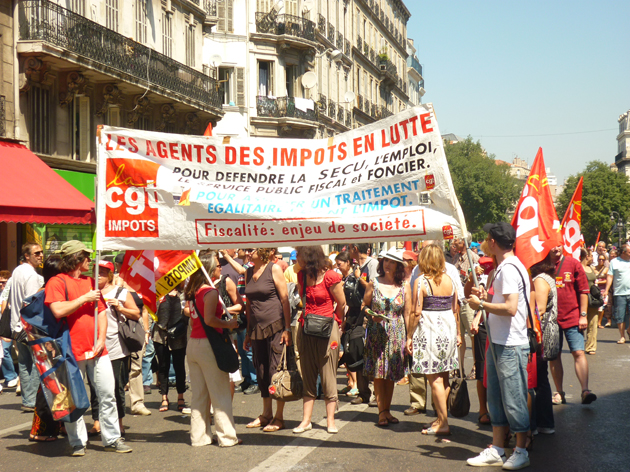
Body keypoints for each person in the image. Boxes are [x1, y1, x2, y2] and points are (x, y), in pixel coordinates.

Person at [45, 241, 131, 456]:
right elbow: (58, 310)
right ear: (76, 258)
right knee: (73, 398)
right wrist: (84, 298)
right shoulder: (57, 282)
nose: (89, 261)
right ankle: (77, 442)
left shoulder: (90, 281)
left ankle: (112, 438)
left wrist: (101, 339)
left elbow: (101, 312)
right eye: (86, 257)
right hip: (70, 351)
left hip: (97, 349)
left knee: (107, 394)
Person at [467, 222, 531, 470]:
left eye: (487, 237)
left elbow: (511, 308)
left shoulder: (510, 269)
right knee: (495, 397)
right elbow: (504, 302)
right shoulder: (506, 267)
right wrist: (485, 298)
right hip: (499, 341)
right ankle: (497, 448)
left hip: (510, 344)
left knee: (513, 399)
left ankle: (521, 450)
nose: (484, 240)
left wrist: (481, 306)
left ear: (493, 242)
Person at [184, 251, 240, 447]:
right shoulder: (210, 291)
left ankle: (199, 437)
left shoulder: (193, 290)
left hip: (194, 344)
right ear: (208, 269)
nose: (220, 268)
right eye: (217, 265)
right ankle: (227, 437)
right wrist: (229, 325)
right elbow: (209, 320)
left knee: (199, 394)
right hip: (209, 344)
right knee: (220, 393)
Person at [407, 244, 459, 436]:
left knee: (434, 378)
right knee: (443, 378)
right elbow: (455, 309)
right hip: (448, 330)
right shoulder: (451, 279)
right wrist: (458, 334)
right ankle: (440, 417)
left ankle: (443, 422)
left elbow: (416, 311)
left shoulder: (421, 281)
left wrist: (410, 335)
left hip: (430, 330)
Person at [293, 246, 346, 434]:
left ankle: (330, 421)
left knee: (328, 373)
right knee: (307, 372)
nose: (296, 257)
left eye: (299, 254)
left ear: (309, 256)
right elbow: (303, 300)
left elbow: (342, 303)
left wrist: (337, 323)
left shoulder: (331, 276)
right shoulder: (302, 276)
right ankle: (306, 420)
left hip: (327, 328)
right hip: (307, 327)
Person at [244, 248, 292, 433]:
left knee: (275, 370)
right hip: (256, 329)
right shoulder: (248, 271)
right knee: (261, 370)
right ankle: (266, 414)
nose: (248, 252)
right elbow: (248, 303)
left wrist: (287, 328)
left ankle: (279, 417)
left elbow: (285, 299)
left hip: (275, 326)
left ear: (262, 251)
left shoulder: (274, 269)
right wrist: (248, 331)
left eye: (252, 250)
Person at [363, 248, 411, 427]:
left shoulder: (404, 286)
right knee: (378, 372)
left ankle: (388, 410)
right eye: (385, 261)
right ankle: (381, 411)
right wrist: (371, 314)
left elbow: (408, 313)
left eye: (391, 262)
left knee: (391, 374)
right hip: (377, 332)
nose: (387, 264)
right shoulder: (373, 283)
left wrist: (409, 337)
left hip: (397, 332)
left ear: (398, 265)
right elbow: (364, 306)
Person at [96, 260, 140, 435]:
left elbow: (136, 313)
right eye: (96, 271)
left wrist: (120, 308)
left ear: (109, 275)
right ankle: (97, 422)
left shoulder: (121, 292)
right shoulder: (90, 292)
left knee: (116, 387)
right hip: (95, 346)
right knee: (96, 388)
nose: (98, 275)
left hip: (116, 347)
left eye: (102, 272)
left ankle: (118, 423)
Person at [548, 244, 595, 406]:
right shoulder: (541, 265)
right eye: (552, 246)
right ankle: (559, 392)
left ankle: (585, 390)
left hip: (572, 317)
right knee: (554, 356)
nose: (556, 248)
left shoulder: (573, 263)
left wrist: (583, 315)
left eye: (558, 245)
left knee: (579, 353)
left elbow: (583, 291)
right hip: (550, 320)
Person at [29, 255, 63, 442]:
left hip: (46, 343)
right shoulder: (47, 292)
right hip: (48, 343)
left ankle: (55, 426)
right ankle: (41, 430)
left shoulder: (44, 290)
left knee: (54, 385)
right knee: (49, 386)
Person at [113, 253, 151, 416]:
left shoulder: (139, 281)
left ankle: (137, 403)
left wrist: (147, 331)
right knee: (118, 366)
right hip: (116, 325)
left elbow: (144, 309)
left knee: (136, 364)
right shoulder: (112, 281)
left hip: (136, 326)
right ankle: (115, 402)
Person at [10, 243, 44, 411]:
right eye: (36, 253)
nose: (41, 255)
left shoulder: (17, 271)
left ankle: (28, 400)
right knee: (38, 363)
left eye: (41, 252)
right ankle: (34, 401)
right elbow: (32, 302)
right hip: (28, 326)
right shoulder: (31, 275)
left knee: (24, 364)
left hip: (17, 325)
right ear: (27, 256)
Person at [219, 249, 257, 394]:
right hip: (241, 312)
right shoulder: (245, 265)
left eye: (249, 250)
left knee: (249, 350)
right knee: (242, 348)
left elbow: (241, 270)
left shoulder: (250, 266)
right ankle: (247, 379)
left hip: (248, 311)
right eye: (245, 250)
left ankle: (254, 380)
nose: (247, 252)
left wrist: (227, 256)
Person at [347, 243, 378, 405]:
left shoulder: (372, 264)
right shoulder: (355, 266)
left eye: (350, 248)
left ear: (356, 248)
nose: (348, 251)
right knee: (357, 353)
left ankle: (376, 394)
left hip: (368, 315)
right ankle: (363, 392)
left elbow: (374, 288)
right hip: (355, 315)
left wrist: (359, 278)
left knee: (371, 354)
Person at [529, 253, 557, 435]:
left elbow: (538, 308)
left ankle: (543, 422)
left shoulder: (540, 279)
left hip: (542, 333)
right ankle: (545, 422)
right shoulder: (547, 277)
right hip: (548, 331)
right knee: (541, 378)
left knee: (538, 378)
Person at [153, 283, 188, 413]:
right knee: (163, 366)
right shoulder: (158, 293)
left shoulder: (184, 294)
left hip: (179, 335)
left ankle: (181, 397)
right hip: (160, 335)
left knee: (180, 367)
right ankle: (164, 397)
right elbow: (150, 310)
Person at [335, 251, 362, 396]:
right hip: (347, 315)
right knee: (345, 349)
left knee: (350, 350)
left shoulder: (354, 277)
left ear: (347, 263)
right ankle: (350, 382)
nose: (338, 267)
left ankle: (355, 384)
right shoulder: (345, 277)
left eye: (340, 264)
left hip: (354, 315)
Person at [451, 237, 479, 377]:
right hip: (457, 299)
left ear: (465, 242)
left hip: (468, 299)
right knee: (459, 335)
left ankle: (476, 366)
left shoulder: (473, 257)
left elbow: (478, 277)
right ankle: (458, 368)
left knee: (472, 333)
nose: (454, 243)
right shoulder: (456, 257)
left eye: (457, 241)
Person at [603, 244, 630, 344]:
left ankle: (629, 330)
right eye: (629, 252)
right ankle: (622, 336)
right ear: (623, 253)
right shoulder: (614, 262)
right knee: (620, 316)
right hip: (619, 293)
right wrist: (606, 290)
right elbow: (610, 276)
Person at [0, 269, 18, 390]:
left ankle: (11, 376)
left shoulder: (11, 294)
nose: (2, 285)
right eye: (0, 282)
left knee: (5, 351)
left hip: (8, 327)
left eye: (4, 282)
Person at [579, 249, 599, 355]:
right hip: (581, 299)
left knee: (593, 323)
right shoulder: (578, 268)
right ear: (586, 256)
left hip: (593, 299)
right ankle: (579, 345)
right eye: (591, 256)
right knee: (580, 324)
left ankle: (591, 347)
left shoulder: (591, 268)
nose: (593, 258)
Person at [594, 253, 610, 328]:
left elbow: (608, 280)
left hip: (602, 289)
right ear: (597, 260)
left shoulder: (606, 269)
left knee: (601, 306)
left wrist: (599, 282)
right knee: (595, 307)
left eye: (602, 259)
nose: (601, 260)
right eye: (599, 259)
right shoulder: (593, 268)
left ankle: (599, 322)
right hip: (594, 289)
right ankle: (594, 321)